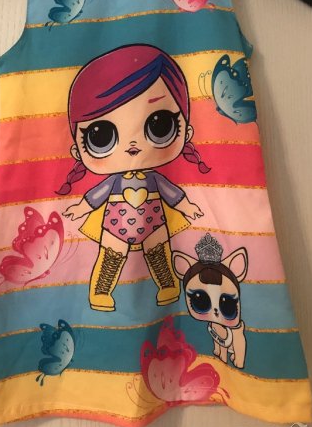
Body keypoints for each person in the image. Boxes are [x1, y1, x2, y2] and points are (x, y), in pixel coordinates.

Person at [59, 43, 210, 311]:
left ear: (186, 132)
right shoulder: (114, 182)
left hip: (154, 222)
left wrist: (186, 206)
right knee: (110, 257)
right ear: (77, 150)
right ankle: (101, 292)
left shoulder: (154, 180)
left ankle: (168, 286)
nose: (132, 145)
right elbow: (97, 195)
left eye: (160, 125)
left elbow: (171, 193)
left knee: (159, 254)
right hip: (115, 225)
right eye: (100, 136)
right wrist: (81, 208)